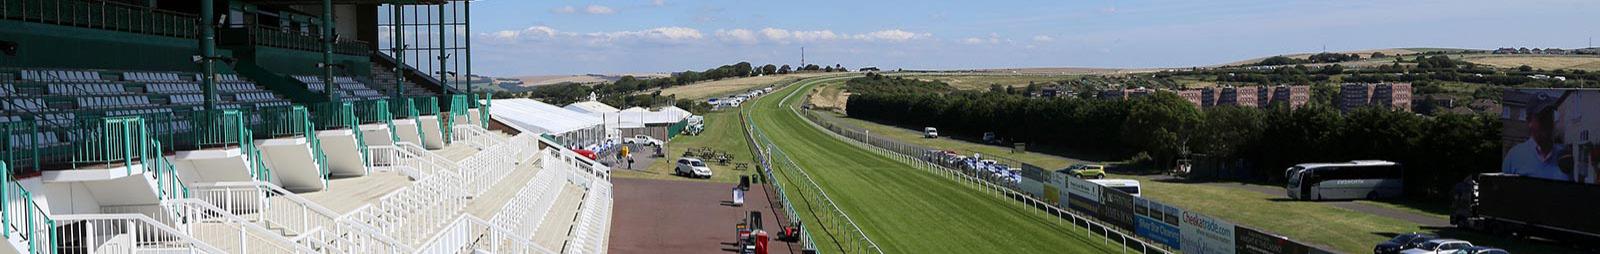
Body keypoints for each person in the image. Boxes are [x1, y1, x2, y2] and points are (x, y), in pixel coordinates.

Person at [1503, 99, 1570, 181]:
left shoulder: (1564, 156)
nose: (1547, 122)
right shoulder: (1513, 156)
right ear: (1529, 121)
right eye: (1542, 117)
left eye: (1550, 116)